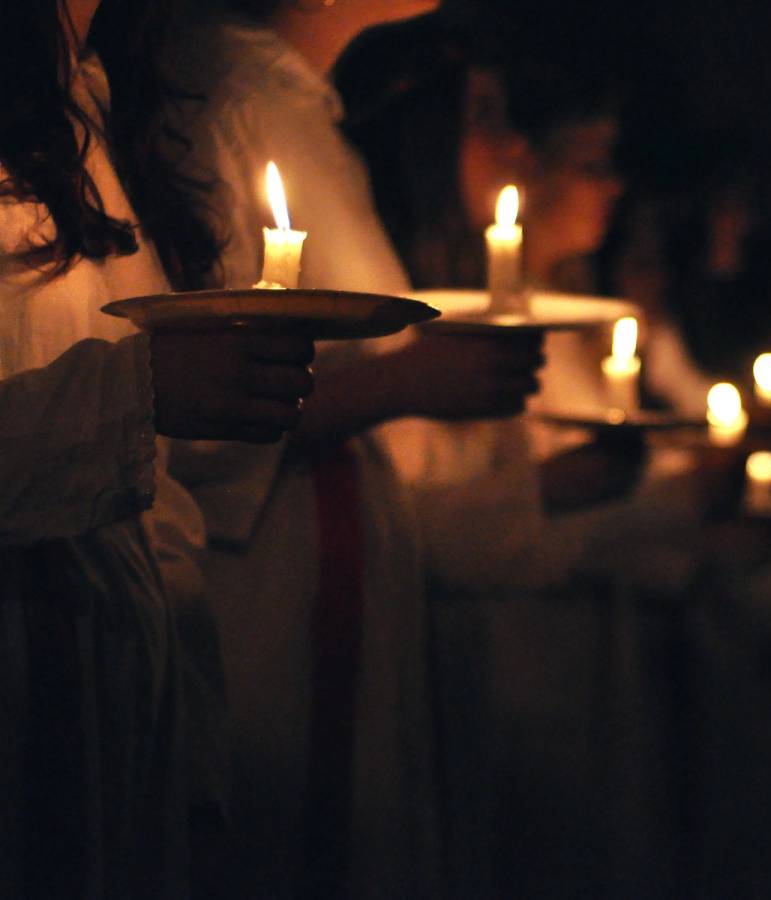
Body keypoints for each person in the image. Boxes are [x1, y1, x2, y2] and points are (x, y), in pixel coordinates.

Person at [168, 2, 549, 897]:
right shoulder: (215, 96)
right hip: (266, 599)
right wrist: (403, 385)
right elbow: (187, 401)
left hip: (351, 581)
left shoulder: (302, 115)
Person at [0, 1, 316, 897]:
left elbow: (159, 509)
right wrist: (135, 394)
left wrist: (196, 754)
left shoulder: (91, 105)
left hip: (117, 714)